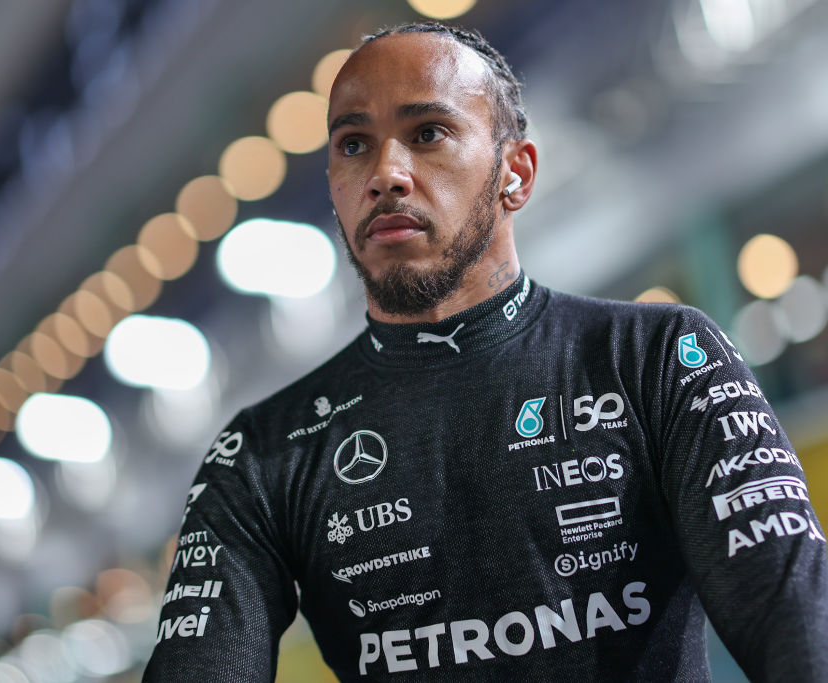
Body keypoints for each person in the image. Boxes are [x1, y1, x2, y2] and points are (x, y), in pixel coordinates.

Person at [142, 21, 828, 681]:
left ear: (515, 174)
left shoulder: (658, 357)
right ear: (333, 186)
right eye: (354, 144)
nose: (386, 173)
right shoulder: (262, 454)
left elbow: (798, 625)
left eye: (428, 132)